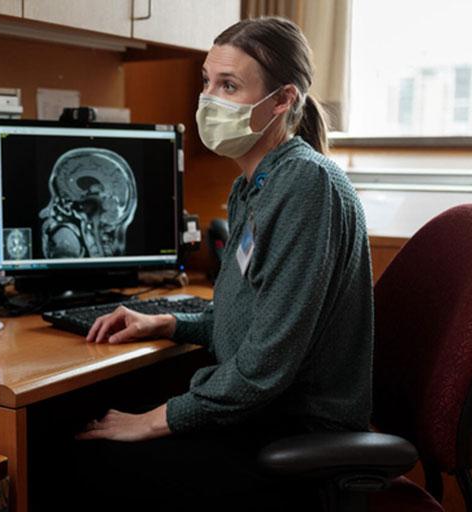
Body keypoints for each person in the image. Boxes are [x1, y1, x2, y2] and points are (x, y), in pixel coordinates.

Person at [74, 17, 373, 510]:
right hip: (262, 414)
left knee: (89, 462)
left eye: (229, 86)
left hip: (297, 434)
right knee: (95, 426)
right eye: (207, 82)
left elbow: (265, 363)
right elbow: (248, 322)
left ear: (282, 101)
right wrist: (168, 322)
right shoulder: (252, 187)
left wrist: (153, 420)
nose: (208, 100)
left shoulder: (306, 186)